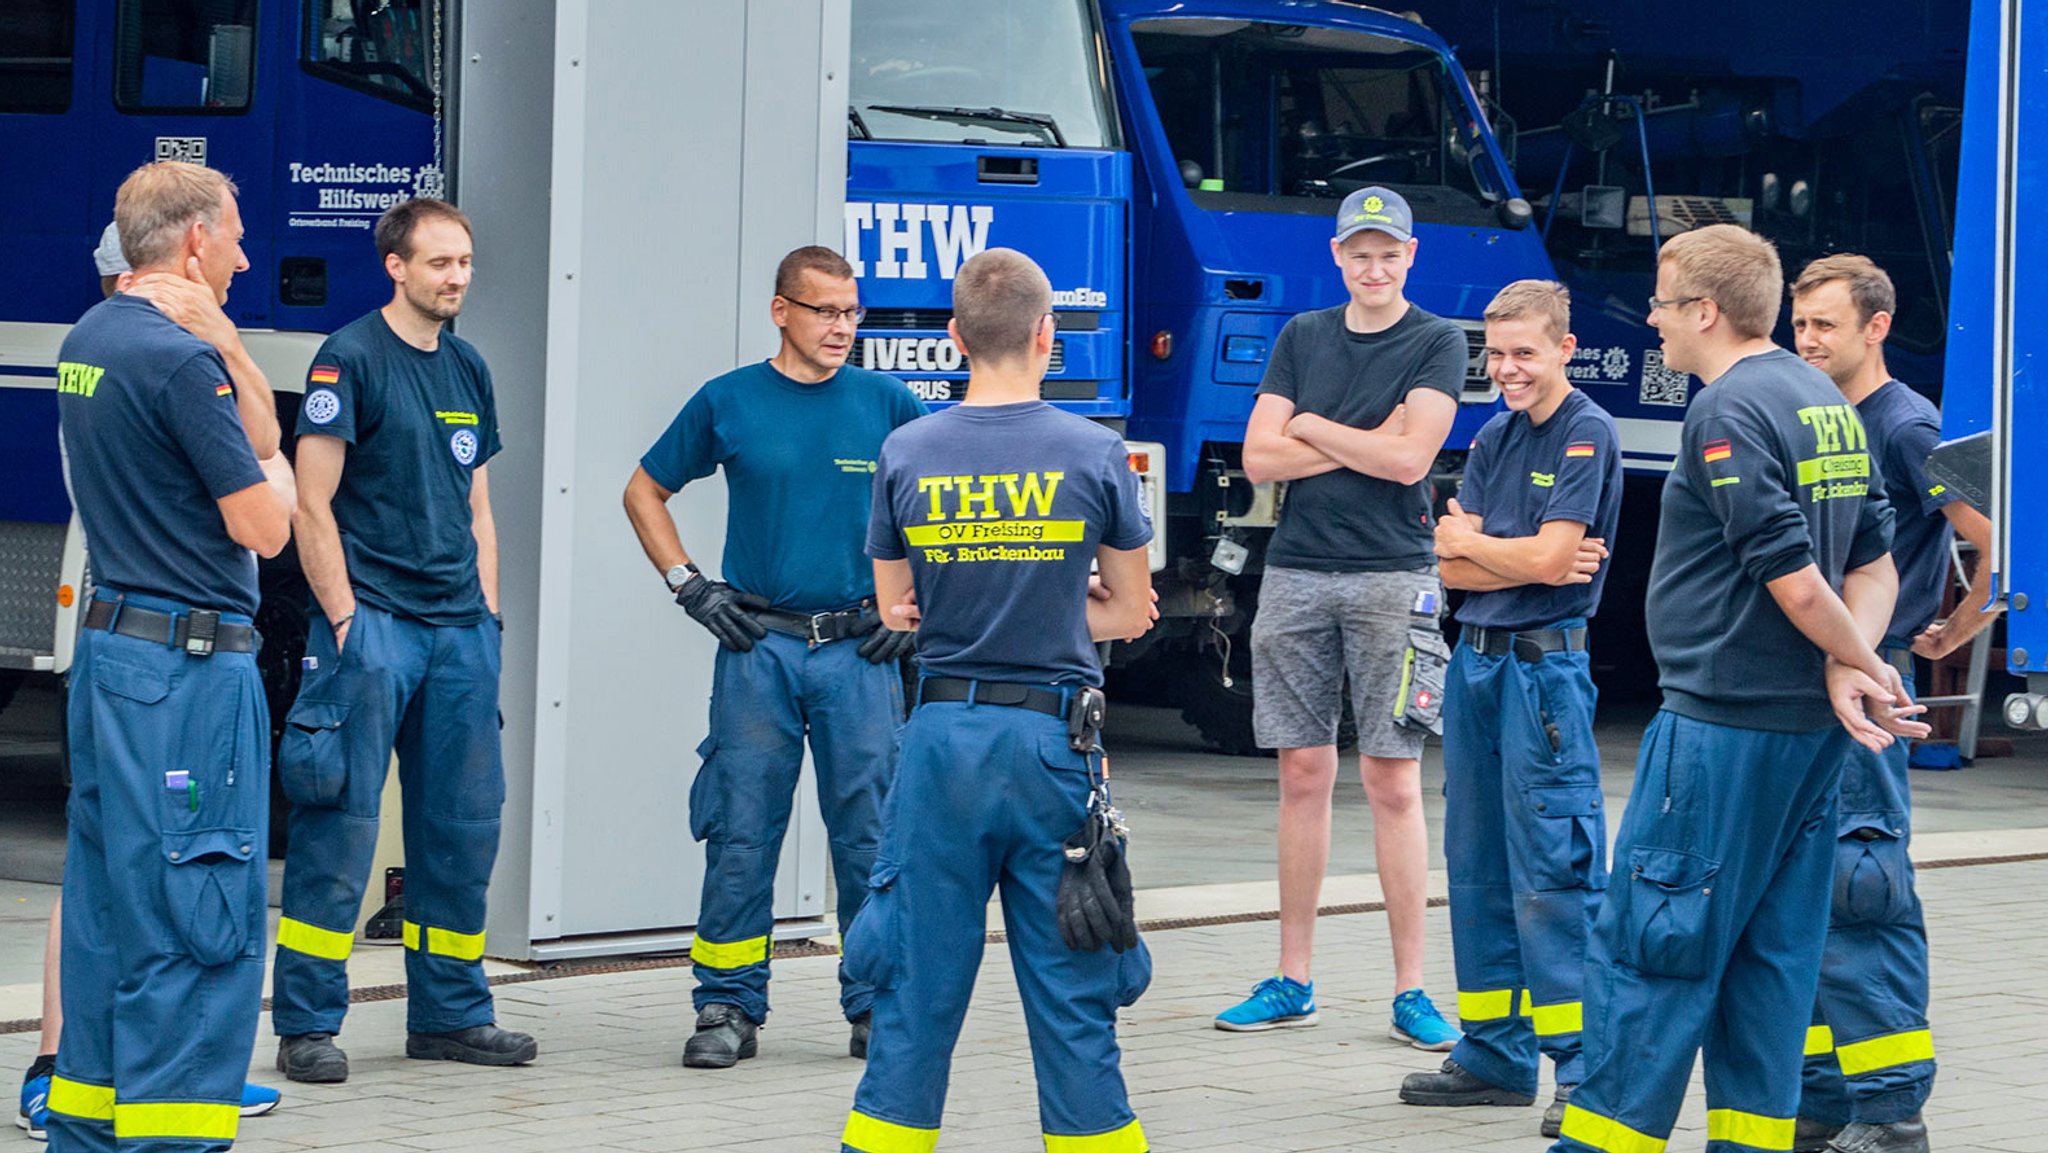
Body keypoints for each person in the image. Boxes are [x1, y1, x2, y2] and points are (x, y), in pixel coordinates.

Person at [1550, 224, 1930, 1153]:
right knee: (1773, 961)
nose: (1651, 320)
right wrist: (1851, 658)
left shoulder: (1727, 408)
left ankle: (1600, 1141)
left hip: (1720, 730)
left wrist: (1857, 660)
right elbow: (1871, 565)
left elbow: (1793, 577)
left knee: (1656, 945)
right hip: (1810, 739)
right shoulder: (1824, 400)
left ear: (1706, 311)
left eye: (1662, 302)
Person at [840, 248, 1156, 1152]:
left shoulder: (906, 450)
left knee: (911, 992)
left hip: (940, 740)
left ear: (953, 339)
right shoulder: (1094, 453)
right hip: (1054, 742)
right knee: (1074, 996)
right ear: (1046, 335)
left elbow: (900, 604)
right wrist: (1072, 595)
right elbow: (1131, 610)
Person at [622, 245, 925, 1068]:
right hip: (758, 647)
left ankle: (877, 1007)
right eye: (825, 310)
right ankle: (725, 1006)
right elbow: (642, 490)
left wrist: (917, 605)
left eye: (852, 312)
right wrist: (690, 585)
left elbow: (940, 510)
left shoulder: (889, 402)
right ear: (780, 310)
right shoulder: (729, 401)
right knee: (740, 831)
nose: (841, 327)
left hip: (859, 653)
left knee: (871, 835)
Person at [44, 161, 295, 1153]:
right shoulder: (179, 365)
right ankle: (172, 1136)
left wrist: (227, 340)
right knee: (202, 912)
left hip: (114, 658)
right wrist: (220, 355)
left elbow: (262, 424)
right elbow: (267, 525)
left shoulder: (94, 338)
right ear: (193, 240)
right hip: (189, 675)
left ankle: (90, 1133)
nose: (242, 254)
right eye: (233, 235)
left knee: (111, 907)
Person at [269, 198, 533, 1083]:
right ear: (396, 267)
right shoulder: (347, 359)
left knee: (460, 831)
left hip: (460, 630)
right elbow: (311, 502)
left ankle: (450, 1014)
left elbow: (479, 509)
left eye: (464, 262)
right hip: (373, 622)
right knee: (339, 828)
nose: (456, 277)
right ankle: (308, 1021)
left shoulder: (468, 367)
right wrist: (346, 620)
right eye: (439, 263)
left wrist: (487, 619)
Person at [1217, 185, 1464, 1049]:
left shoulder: (1436, 340)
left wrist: (1312, 431)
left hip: (1394, 577)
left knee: (1393, 780)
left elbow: (1410, 462)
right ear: (1336, 257)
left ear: (1410, 256)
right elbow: (1257, 457)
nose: (1373, 266)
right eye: (1359, 252)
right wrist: (1356, 431)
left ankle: (1412, 988)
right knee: (1301, 773)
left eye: (1387, 251)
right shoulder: (1301, 336)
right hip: (1295, 574)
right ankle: (1294, 977)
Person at [1400, 281, 1621, 1136]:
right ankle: (1494, 1053)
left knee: (1555, 874)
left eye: (1524, 352)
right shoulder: (1493, 433)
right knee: (1479, 863)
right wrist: (1502, 556)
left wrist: (1477, 545)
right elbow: (1453, 571)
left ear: (1565, 348)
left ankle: (1582, 1070)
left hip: (1543, 677)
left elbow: (1557, 557)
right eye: (1496, 354)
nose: (1507, 369)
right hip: (1477, 668)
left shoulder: (1587, 432)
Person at [1789, 254, 1986, 1153]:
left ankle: (1893, 1109)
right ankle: (1827, 1097)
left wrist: (1958, 626)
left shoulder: (1906, 424)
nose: (1808, 339)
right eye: (1801, 323)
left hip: (1874, 675)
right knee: (1818, 894)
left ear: (1876, 327)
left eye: (1825, 324)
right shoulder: (1821, 415)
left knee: (1863, 887)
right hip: (1827, 675)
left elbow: (1991, 533)